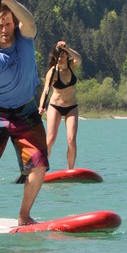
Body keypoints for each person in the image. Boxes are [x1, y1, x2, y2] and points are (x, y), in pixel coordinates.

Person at [0, 0, 48, 231]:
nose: (4, 30)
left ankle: (24, 216)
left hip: (26, 112)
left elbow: (30, 21)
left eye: (8, 24)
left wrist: (10, 0)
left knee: (39, 166)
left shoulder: (25, 38)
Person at [39, 40, 82, 169]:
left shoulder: (72, 65)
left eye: (64, 54)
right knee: (50, 140)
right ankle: (41, 169)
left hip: (71, 107)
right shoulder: (52, 72)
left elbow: (79, 58)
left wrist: (66, 48)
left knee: (71, 140)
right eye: (60, 54)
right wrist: (41, 106)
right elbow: (45, 90)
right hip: (55, 107)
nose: (62, 57)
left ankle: (70, 170)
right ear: (54, 56)